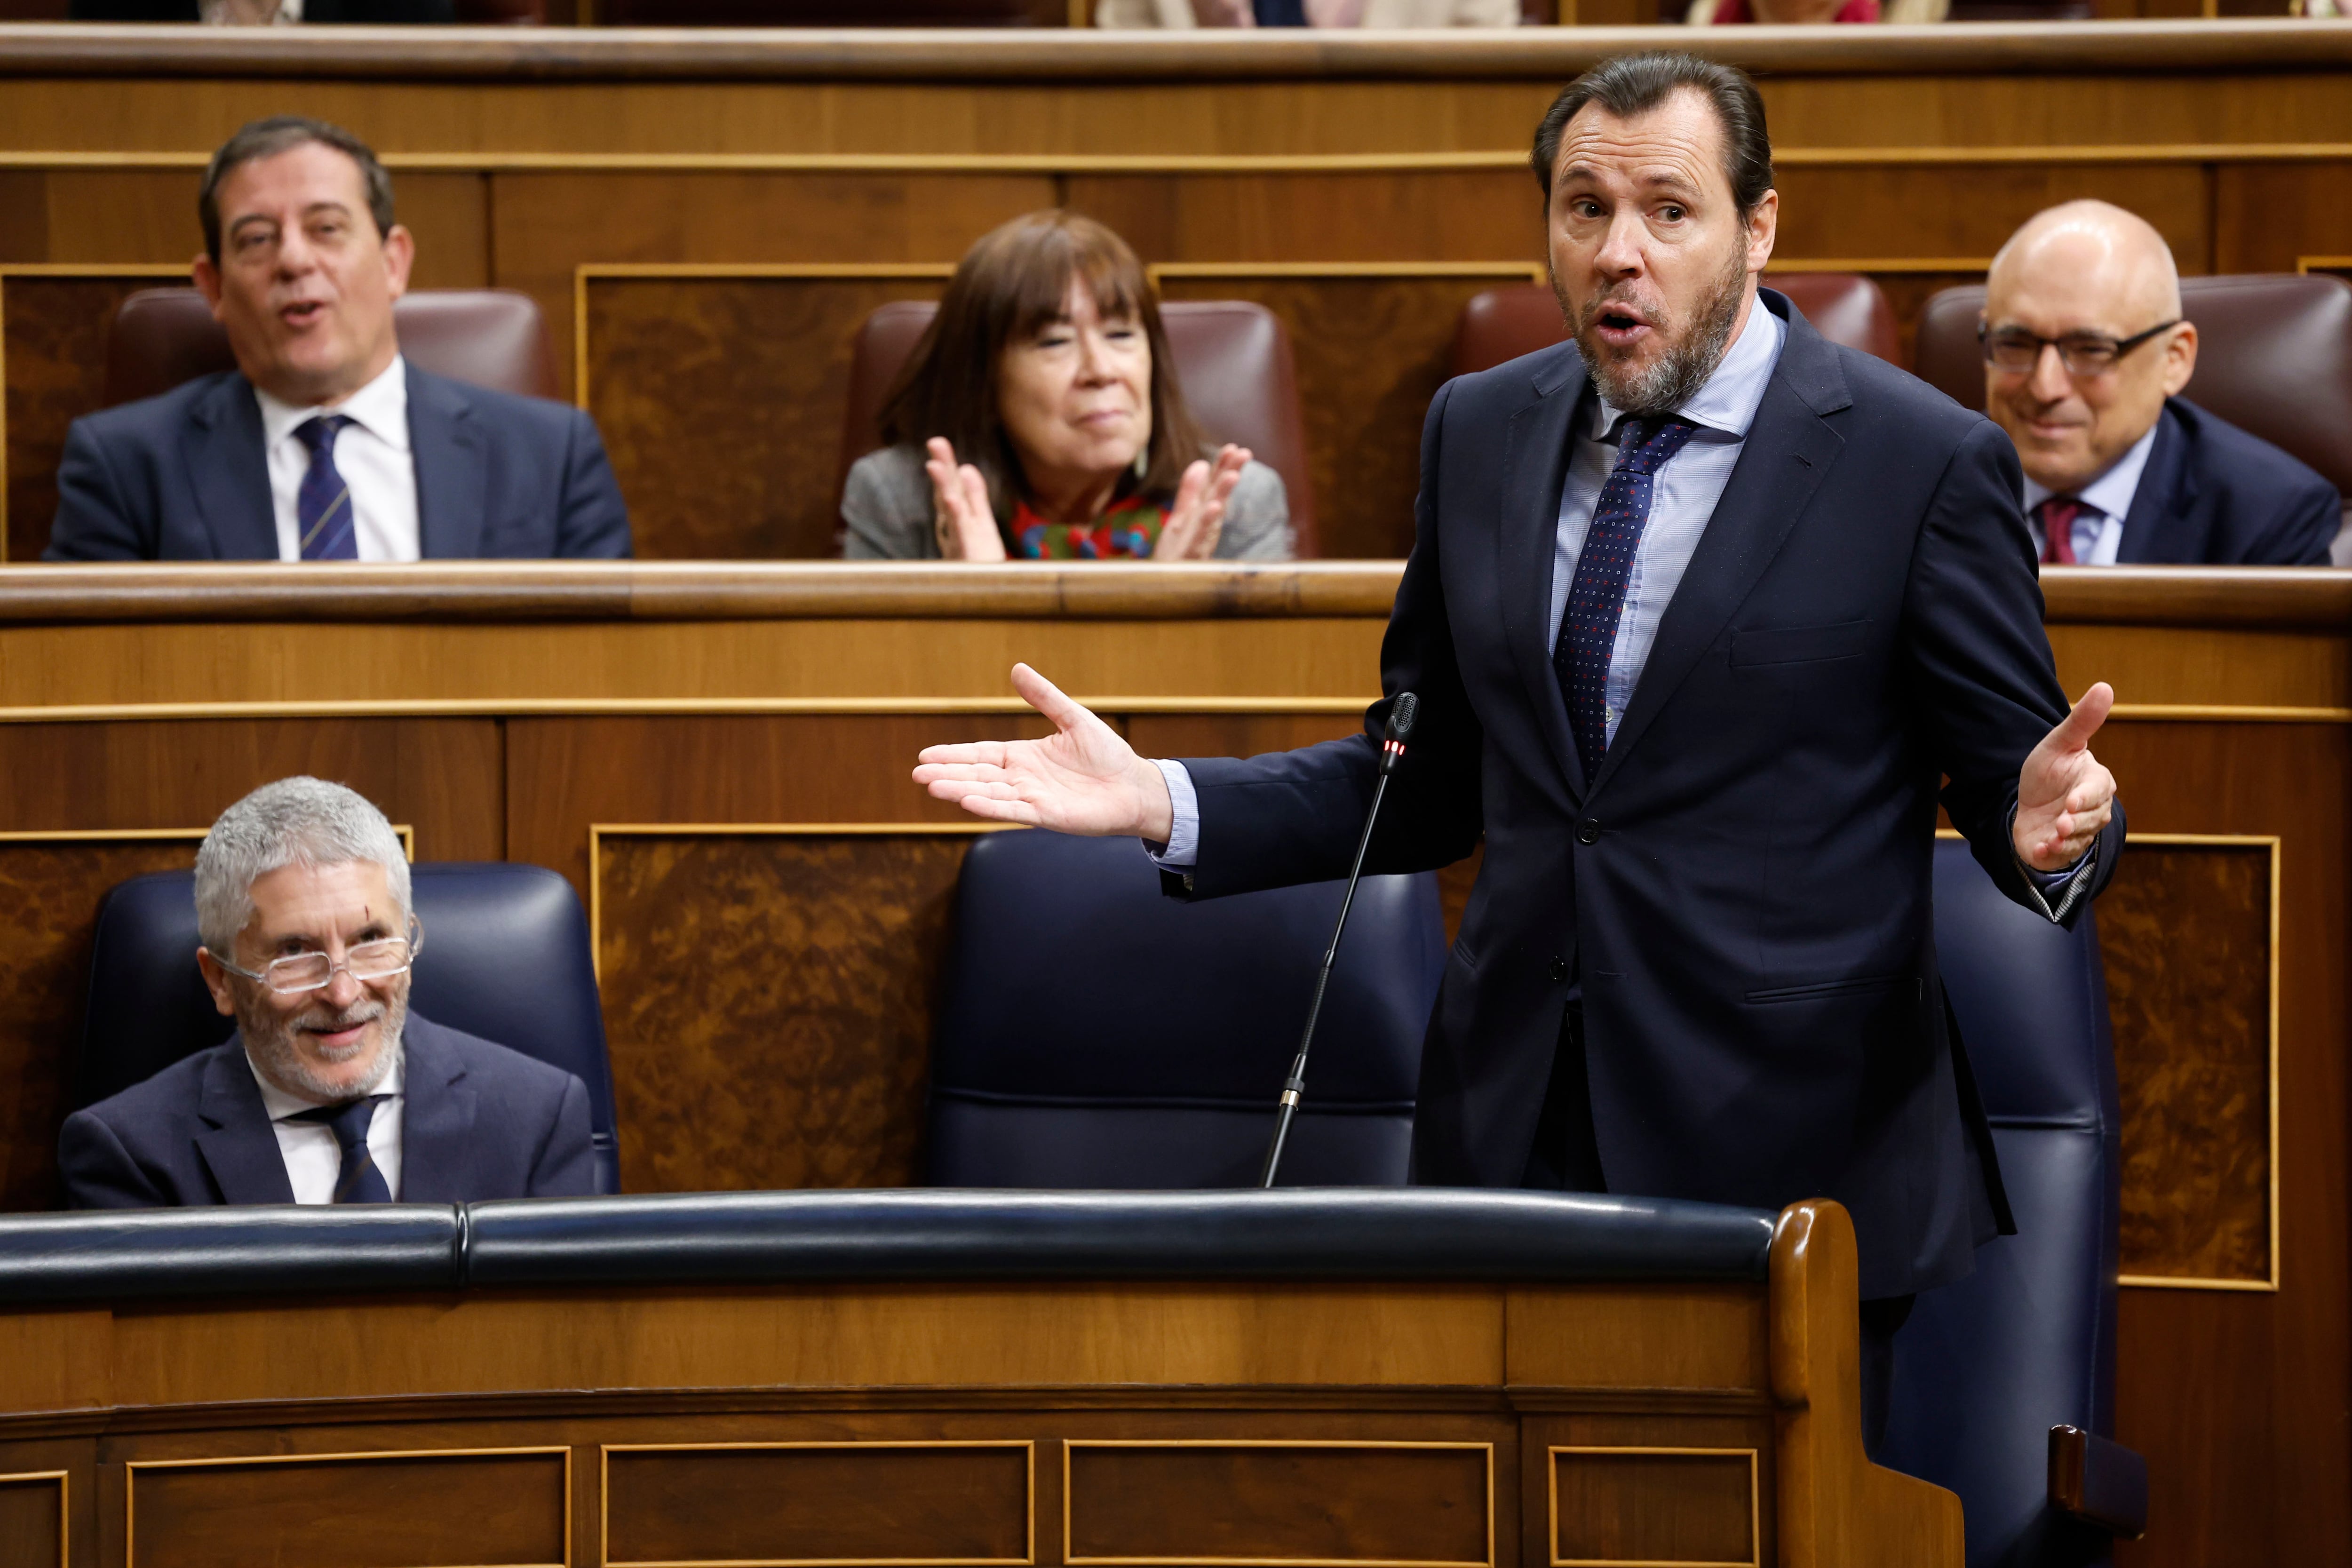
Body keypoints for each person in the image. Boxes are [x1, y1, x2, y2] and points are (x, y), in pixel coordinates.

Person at [912, 52, 2123, 1455]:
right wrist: (1161, 799)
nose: (1618, 250)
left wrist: (2049, 833)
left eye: (1668, 212)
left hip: (1796, 1156)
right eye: (1581, 206)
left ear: (1758, 227)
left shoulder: (1916, 462)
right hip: (1512, 1137)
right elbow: (1422, 772)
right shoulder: (1478, 428)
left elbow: (2016, 789)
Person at [46, 116, 631, 563]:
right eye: (256, 239)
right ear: (214, 286)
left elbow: (607, 680)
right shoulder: (126, 468)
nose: (294, 260)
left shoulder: (550, 457)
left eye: (327, 228)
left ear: (393, 262)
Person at [58, 777, 595, 1208]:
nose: (342, 993)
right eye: (294, 952)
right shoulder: (130, 1153)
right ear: (220, 981)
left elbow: (561, 1340)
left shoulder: (536, 1117)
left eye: (370, 940)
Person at [842, 211, 1290, 564]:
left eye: (1120, 335)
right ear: (984, 382)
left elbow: (1283, 678)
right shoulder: (901, 500)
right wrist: (974, 604)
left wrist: (1174, 608)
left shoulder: (1237, 504)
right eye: (1054, 342)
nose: (1101, 370)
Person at [1980, 200, 2339, 567]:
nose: (2045, 387)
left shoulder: (2268, 517)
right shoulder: (1931, 477)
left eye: (2091, 350)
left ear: (2174, 359)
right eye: (2014, 344)